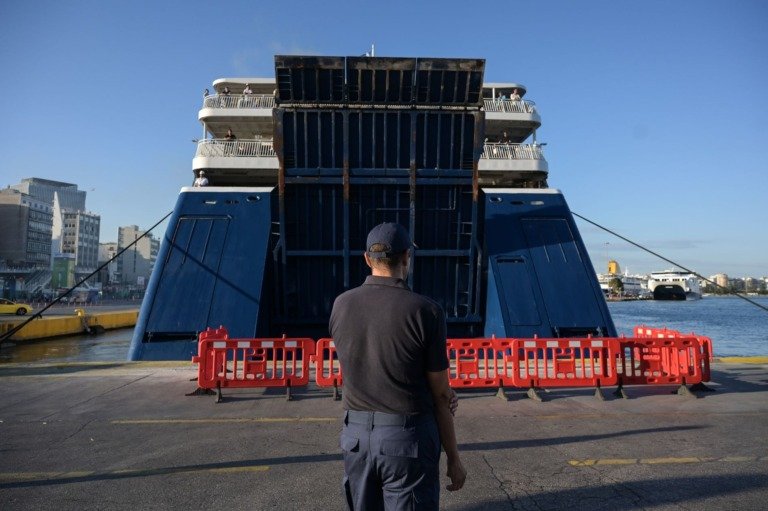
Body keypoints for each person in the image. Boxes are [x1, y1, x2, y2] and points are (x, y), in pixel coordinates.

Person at [330, 222, 466, 511]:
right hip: (406, 441)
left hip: (355, 438)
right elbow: (441, 394)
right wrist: (453, 458)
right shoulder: (425, 311)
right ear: (407, 257)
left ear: (367, 259)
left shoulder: (341, 305)